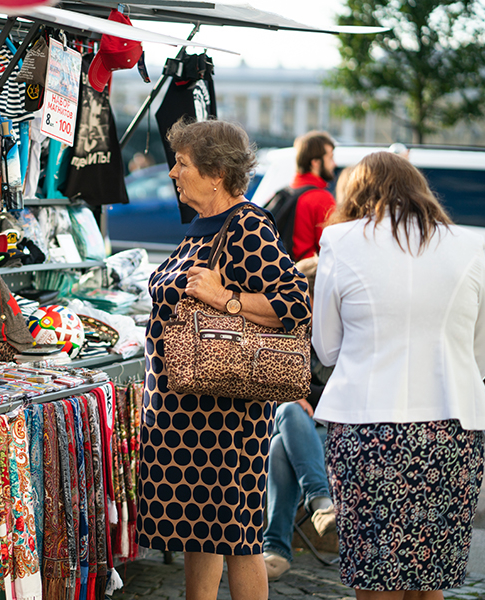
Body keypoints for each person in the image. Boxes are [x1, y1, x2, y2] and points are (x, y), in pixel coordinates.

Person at [138, 118, 312, 600]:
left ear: (216, 173)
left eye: (182, 163)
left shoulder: (248, 223)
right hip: (187, 412)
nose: (172, 172)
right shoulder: (202, 224)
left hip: (224, 417)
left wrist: (225, 298)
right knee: (203, 531)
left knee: (238, 538)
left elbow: (295, 303)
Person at [313, 151, 485, 599]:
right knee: (431, 578)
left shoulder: (340, 241)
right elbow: (482, 351)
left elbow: (327, 346)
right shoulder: (471, 245)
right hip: (450, 428)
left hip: (368, 428)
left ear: (356, 193)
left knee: (375, 577)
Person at [261, 167, 355, 580]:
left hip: (334, 430)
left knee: (283, 438)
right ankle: (321, 503)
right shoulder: (288, 330)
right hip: (304, 427)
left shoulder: (344, 332)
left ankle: (277, 545)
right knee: (286, 416)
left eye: (311, 297)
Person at [289, 131, 337, 261]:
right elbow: (331, 248)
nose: (334, 164)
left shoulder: (287, 192)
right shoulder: (321, 199)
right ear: (315, 162)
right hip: (311, 275)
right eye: (330, 158)